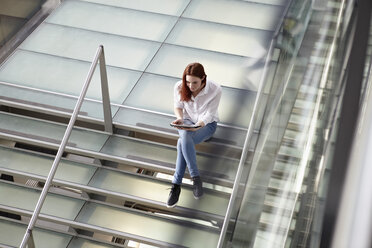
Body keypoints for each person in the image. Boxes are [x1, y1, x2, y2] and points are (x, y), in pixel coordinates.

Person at [167, 62, 222, 208]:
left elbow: (210, 114)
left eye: (195, 82)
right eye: (188, 82)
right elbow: (178, 106)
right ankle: (196, 179)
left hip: (206, 125)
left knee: (182, 141)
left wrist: (198, 125)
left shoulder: (215, 89)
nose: (191, 86)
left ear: (203, 78)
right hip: (185, 122)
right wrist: (179, 118)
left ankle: (176, 185)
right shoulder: (179, 86)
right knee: (184, 135)